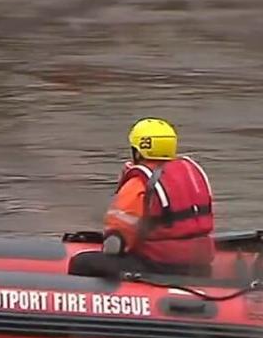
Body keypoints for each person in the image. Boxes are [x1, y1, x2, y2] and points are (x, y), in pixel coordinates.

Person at [68, 117, 215, 278]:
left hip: (158, 266)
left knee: (81, 263)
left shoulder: (138, 184)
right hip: (199, 266)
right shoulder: (192, 176)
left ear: (137, 151)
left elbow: (114, 245)